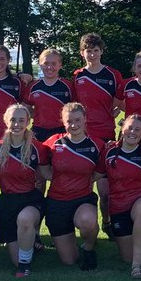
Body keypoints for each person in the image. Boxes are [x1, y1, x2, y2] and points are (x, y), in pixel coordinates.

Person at [41, 102, 107, 270]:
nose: (73, 125)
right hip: (56, 203)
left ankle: (89, 247)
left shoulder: (97, 145)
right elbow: (42, 167)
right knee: (69, 260)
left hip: (82, 199)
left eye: (78, 120)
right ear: (63, 122)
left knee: (87, 221)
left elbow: (99, 172)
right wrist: (55, 178)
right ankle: (75, 245)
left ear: (85, 120)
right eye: (69, 121)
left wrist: (83, 180)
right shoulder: (52, 142)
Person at [0, 104, 50, 277]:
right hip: (7, 201)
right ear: (5, 121)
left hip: (30, 199)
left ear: (28, 122)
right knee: (15, 258)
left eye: (21, 120)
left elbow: (48, 174)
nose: (16, 124)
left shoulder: (37, 148)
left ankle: (24, 266)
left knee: (25, 220)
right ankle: (29, 246)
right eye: (12, 120)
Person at [104, 114, 141, 278]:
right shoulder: (108, 153)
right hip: (118, 207)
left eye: (137, 129)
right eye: (129, 128)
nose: (133, 132)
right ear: (122, 129)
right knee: (126, 257)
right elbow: (93, 174)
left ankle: (138, 265)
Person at [72, 33, 125, 142]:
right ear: (82, 53)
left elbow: (122, 99)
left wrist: (117, 109)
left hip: (106, 130)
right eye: (89, 51)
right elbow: (74, 104)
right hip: (83, 131)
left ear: (101, 51)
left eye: (96, 50)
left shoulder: (113, 74)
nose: (92, 55)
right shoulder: (77, 75)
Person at [24, 48, 76, 142]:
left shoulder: (68, 86)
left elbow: (76, 109)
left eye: (53, 63)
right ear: (40, 64)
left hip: (62, 131)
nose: (49, 67)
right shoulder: (33, 86)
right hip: (38, 131)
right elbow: (25, 108)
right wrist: (38, 115)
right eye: (46, 63)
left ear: (60, 65)